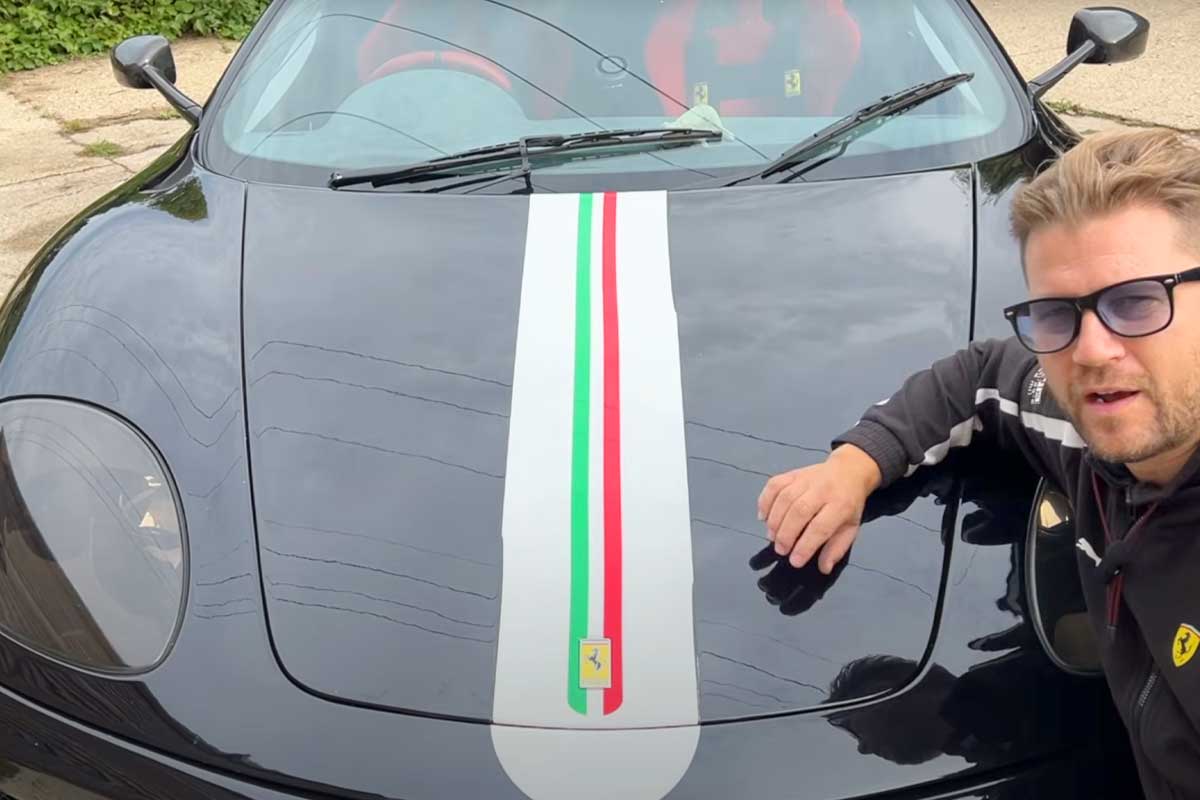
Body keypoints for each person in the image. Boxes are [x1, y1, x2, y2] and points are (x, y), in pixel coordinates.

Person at [757, 128, 1200, 798]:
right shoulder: (1092, 417)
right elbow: (984, 372)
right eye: (1055, 314)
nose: (1091, 351)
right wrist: (855, 464)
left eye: (1135, 302)